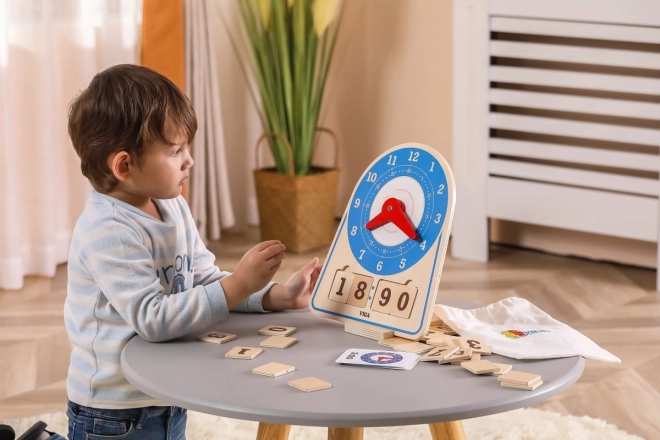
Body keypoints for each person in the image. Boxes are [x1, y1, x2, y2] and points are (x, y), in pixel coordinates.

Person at [59, 64, 322, 440]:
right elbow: (152, 318)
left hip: (164, 391)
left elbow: (203, 279)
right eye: (175, 151)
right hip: (114, 411)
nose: (189, 161)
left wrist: (273, 295)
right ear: (124, 165)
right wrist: (239, 283)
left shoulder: (172, 205)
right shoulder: (108, 230)